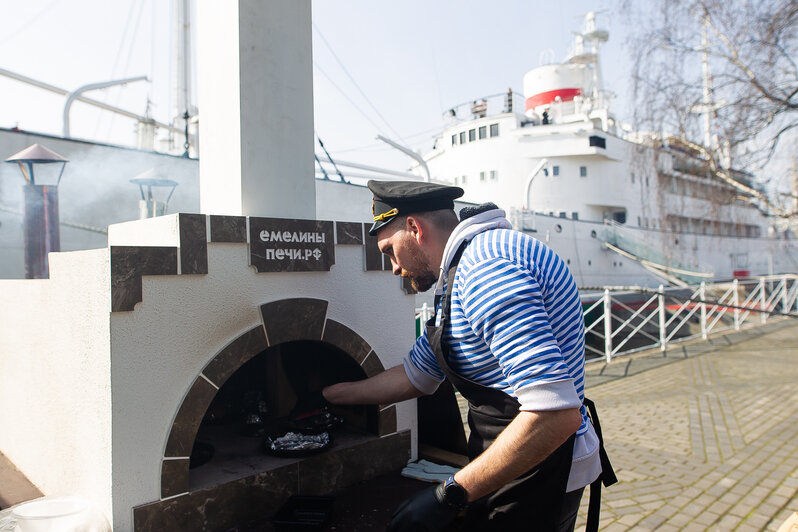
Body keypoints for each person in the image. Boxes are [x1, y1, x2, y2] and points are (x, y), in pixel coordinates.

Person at [314, 180, 614, 531]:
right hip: (513, 459)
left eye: (389, 250)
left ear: (414, 228)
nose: (394, 268)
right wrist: (328, 396)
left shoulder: (484, 269)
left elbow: (555, 414)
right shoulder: (460, 271)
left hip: (542, 465)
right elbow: (416, 375)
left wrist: (450, 494)